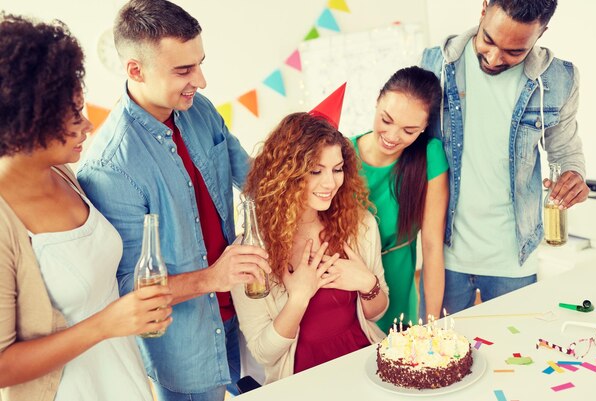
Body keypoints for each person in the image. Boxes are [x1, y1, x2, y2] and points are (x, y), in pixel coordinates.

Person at [77, 1, 271, 400]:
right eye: (183, 70)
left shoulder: (198, 109)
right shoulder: (110, 167)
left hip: (240, 311)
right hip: (186, 349)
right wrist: (214, 277)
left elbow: (256, 179)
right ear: (135, 70)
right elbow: (130, 288)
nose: (200, 80)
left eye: (199, 63)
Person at [0, 14, 172, 401]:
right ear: (29, 120)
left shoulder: (63, 172)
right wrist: (105, 325)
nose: (88, 125)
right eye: (74, 114)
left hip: (124, 381)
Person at [420, 0, 589, 314]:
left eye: (515, 52)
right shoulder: (435, 64)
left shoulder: (560, 80)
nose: (495, 58)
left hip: (515, 258)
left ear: (542, 33)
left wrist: (574, 175)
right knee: (437, 356)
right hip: (445, 255)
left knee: (517, 356)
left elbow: (566, 152)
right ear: (484, 8)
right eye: (488, 40)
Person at [232, 109, 389, 384]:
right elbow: (263, 353)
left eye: (337, 169)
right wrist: (299, 298)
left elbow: (378, 312)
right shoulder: (251, 251)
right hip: (302, 380)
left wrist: (367, 282)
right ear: (285, 175)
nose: (330, 183)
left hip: (364, 363)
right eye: (316, 171)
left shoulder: (360, 225)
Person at [351, 66, 449, 329]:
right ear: (377, 101)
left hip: (398, 286)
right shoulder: (341, 155)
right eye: (386, 120)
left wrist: (433, 325)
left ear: (425, 127)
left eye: (409, 130)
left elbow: (431, 246)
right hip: (347, 288)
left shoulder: (429, 155)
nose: (393, 136)